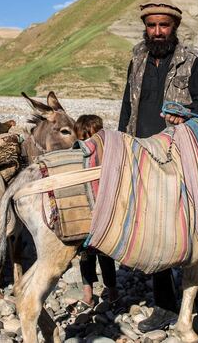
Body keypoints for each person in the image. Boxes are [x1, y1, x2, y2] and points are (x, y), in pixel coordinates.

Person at [118, 1, 198, 332]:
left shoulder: (193, 58)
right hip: (142, 148)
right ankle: (163, 302)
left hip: (179, 147)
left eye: (164, 26)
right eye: (151, 26)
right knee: (153, 223)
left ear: (174, 27)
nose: (157, 32)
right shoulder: (137, 56)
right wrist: (121, 143)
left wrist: (186, 111)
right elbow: (127, 105)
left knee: (191, 218)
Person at [71, 114, 119, 313]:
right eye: (81, 139)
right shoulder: (76, 153)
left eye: (88, 137)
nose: (85, 143)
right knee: (85, 257)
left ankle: (112, 292)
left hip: (102, 211)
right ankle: (88, 294)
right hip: (86, 210)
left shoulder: (107, 153)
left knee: (105, 256)